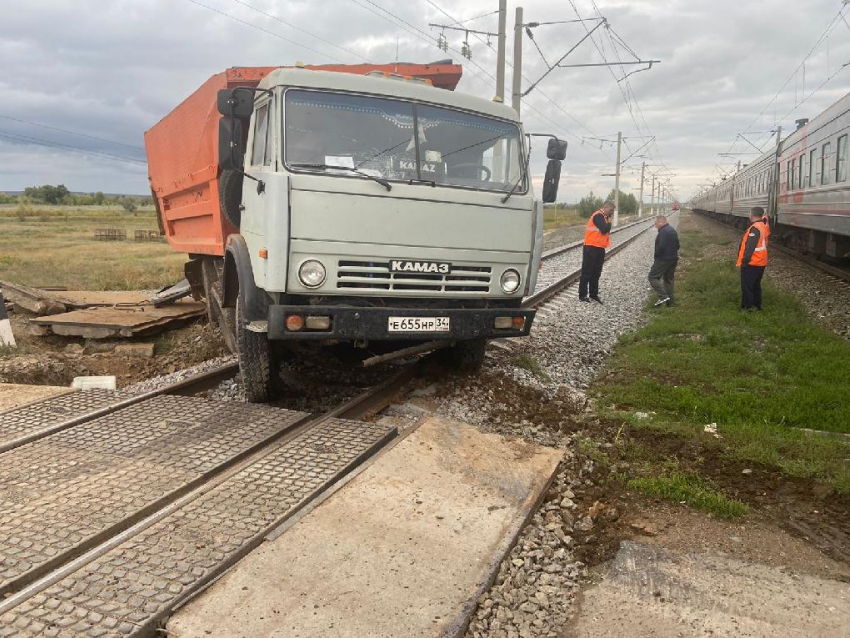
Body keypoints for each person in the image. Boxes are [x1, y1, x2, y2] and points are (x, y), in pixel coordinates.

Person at [579, 201, 613, 303]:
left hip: (599, 248)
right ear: (605, 207)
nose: (612, 212)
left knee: (596, 272)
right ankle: (582, 295)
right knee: (587, 272)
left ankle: (593, 294)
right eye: (611, 210)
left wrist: (608, 221)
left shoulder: (604, 217)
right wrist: (610, 223)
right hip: (591, 247)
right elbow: (604, 229)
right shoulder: (598, 216)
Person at [737, 206, 769, 310]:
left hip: (753, 262)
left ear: (752, 215)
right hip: (761, 262)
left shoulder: (755, 228)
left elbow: (749, 248)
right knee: (756, 285)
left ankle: (747, 307)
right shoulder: (763, 226)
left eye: (749, 213)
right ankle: (757, 305)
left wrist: (744, 262)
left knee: (747, 286)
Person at [648, 215, 679, 307]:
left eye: (656, 223)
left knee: (652, 277)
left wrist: (657, 256)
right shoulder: (672, 230)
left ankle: (663, 296)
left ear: (661, 222)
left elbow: (661, 247)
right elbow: (678, 246)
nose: (655, 226)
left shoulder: (663, 232)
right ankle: (670, 304)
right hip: (673, 259)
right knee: (668, 280)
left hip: (663, 259)